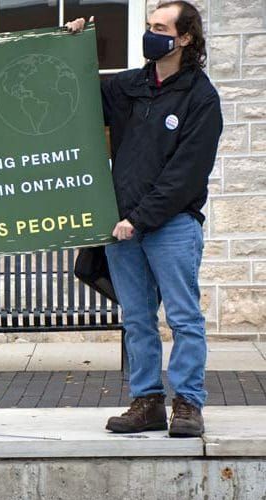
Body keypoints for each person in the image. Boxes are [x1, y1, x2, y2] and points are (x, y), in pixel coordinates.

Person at [67, 0, 222, 437]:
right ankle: (148, 401)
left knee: (183, 317)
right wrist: (73, 47)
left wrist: (141, 218)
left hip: (171, 226)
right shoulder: (129, 86)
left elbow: (186, 173)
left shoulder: (201, 98)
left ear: (185, 37)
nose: (150, 33)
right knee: (136, 318)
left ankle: (188, 403)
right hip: (122, 230)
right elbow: (79, 97)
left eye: (160, 26)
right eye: (149, 25)